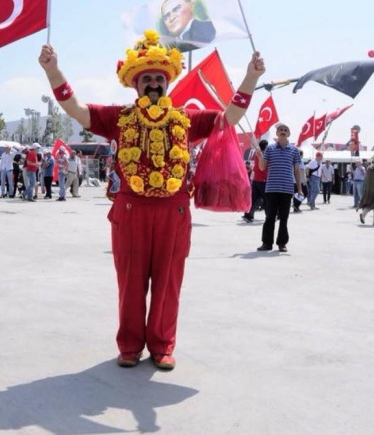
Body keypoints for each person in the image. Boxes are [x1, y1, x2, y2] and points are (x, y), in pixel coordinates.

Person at [38, 29, 265, 370]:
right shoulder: (119, 118)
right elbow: (76, 110)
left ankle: (162, 345)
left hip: (174, 212)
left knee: (168, 282)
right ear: (136, 85)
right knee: (129, 282)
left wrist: (250, 77)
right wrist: (53, 71)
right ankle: (129, 345)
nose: (155, 84)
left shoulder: (187, 118)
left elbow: (228, 118)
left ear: (168, 83)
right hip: (130, 212)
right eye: (148, 79)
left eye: (160, 78)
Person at [255, 123, 302, 253]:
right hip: (271, 188)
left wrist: (299, 188)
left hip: (287, 188)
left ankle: (282, 243)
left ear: (289, 134)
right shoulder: (270, 149)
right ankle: (266, 243)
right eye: (280, 130)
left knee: (284, 217)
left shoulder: (294, 150)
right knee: (270, 216)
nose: (282, 131)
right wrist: (260, 157)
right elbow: (262, 167)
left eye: (285, 130)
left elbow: (297, 170)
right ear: (276, 133)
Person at [242, 139, 268, 223]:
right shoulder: (264, 155)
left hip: (256, 180)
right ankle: (270, 216)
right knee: (268, 200)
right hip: (263, 181)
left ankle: (248, 215)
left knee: (253, 199)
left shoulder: (258, 154)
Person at [358, 159, 374, 225]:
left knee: (370, 204)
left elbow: (366, 179)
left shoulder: (368, 169)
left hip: (368, 190)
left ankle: (363, 214)